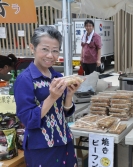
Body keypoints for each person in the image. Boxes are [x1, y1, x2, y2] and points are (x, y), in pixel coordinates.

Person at [14, 26, 81, 167]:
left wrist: (69, 95)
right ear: (32, 47)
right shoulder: (25, 79)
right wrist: (52, 97)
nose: (50, 55)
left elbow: (65, 112)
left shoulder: (57, 76)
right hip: (41, 147)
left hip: (64, 141)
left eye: (55, 50)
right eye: (45, 49)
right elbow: (28, 119)